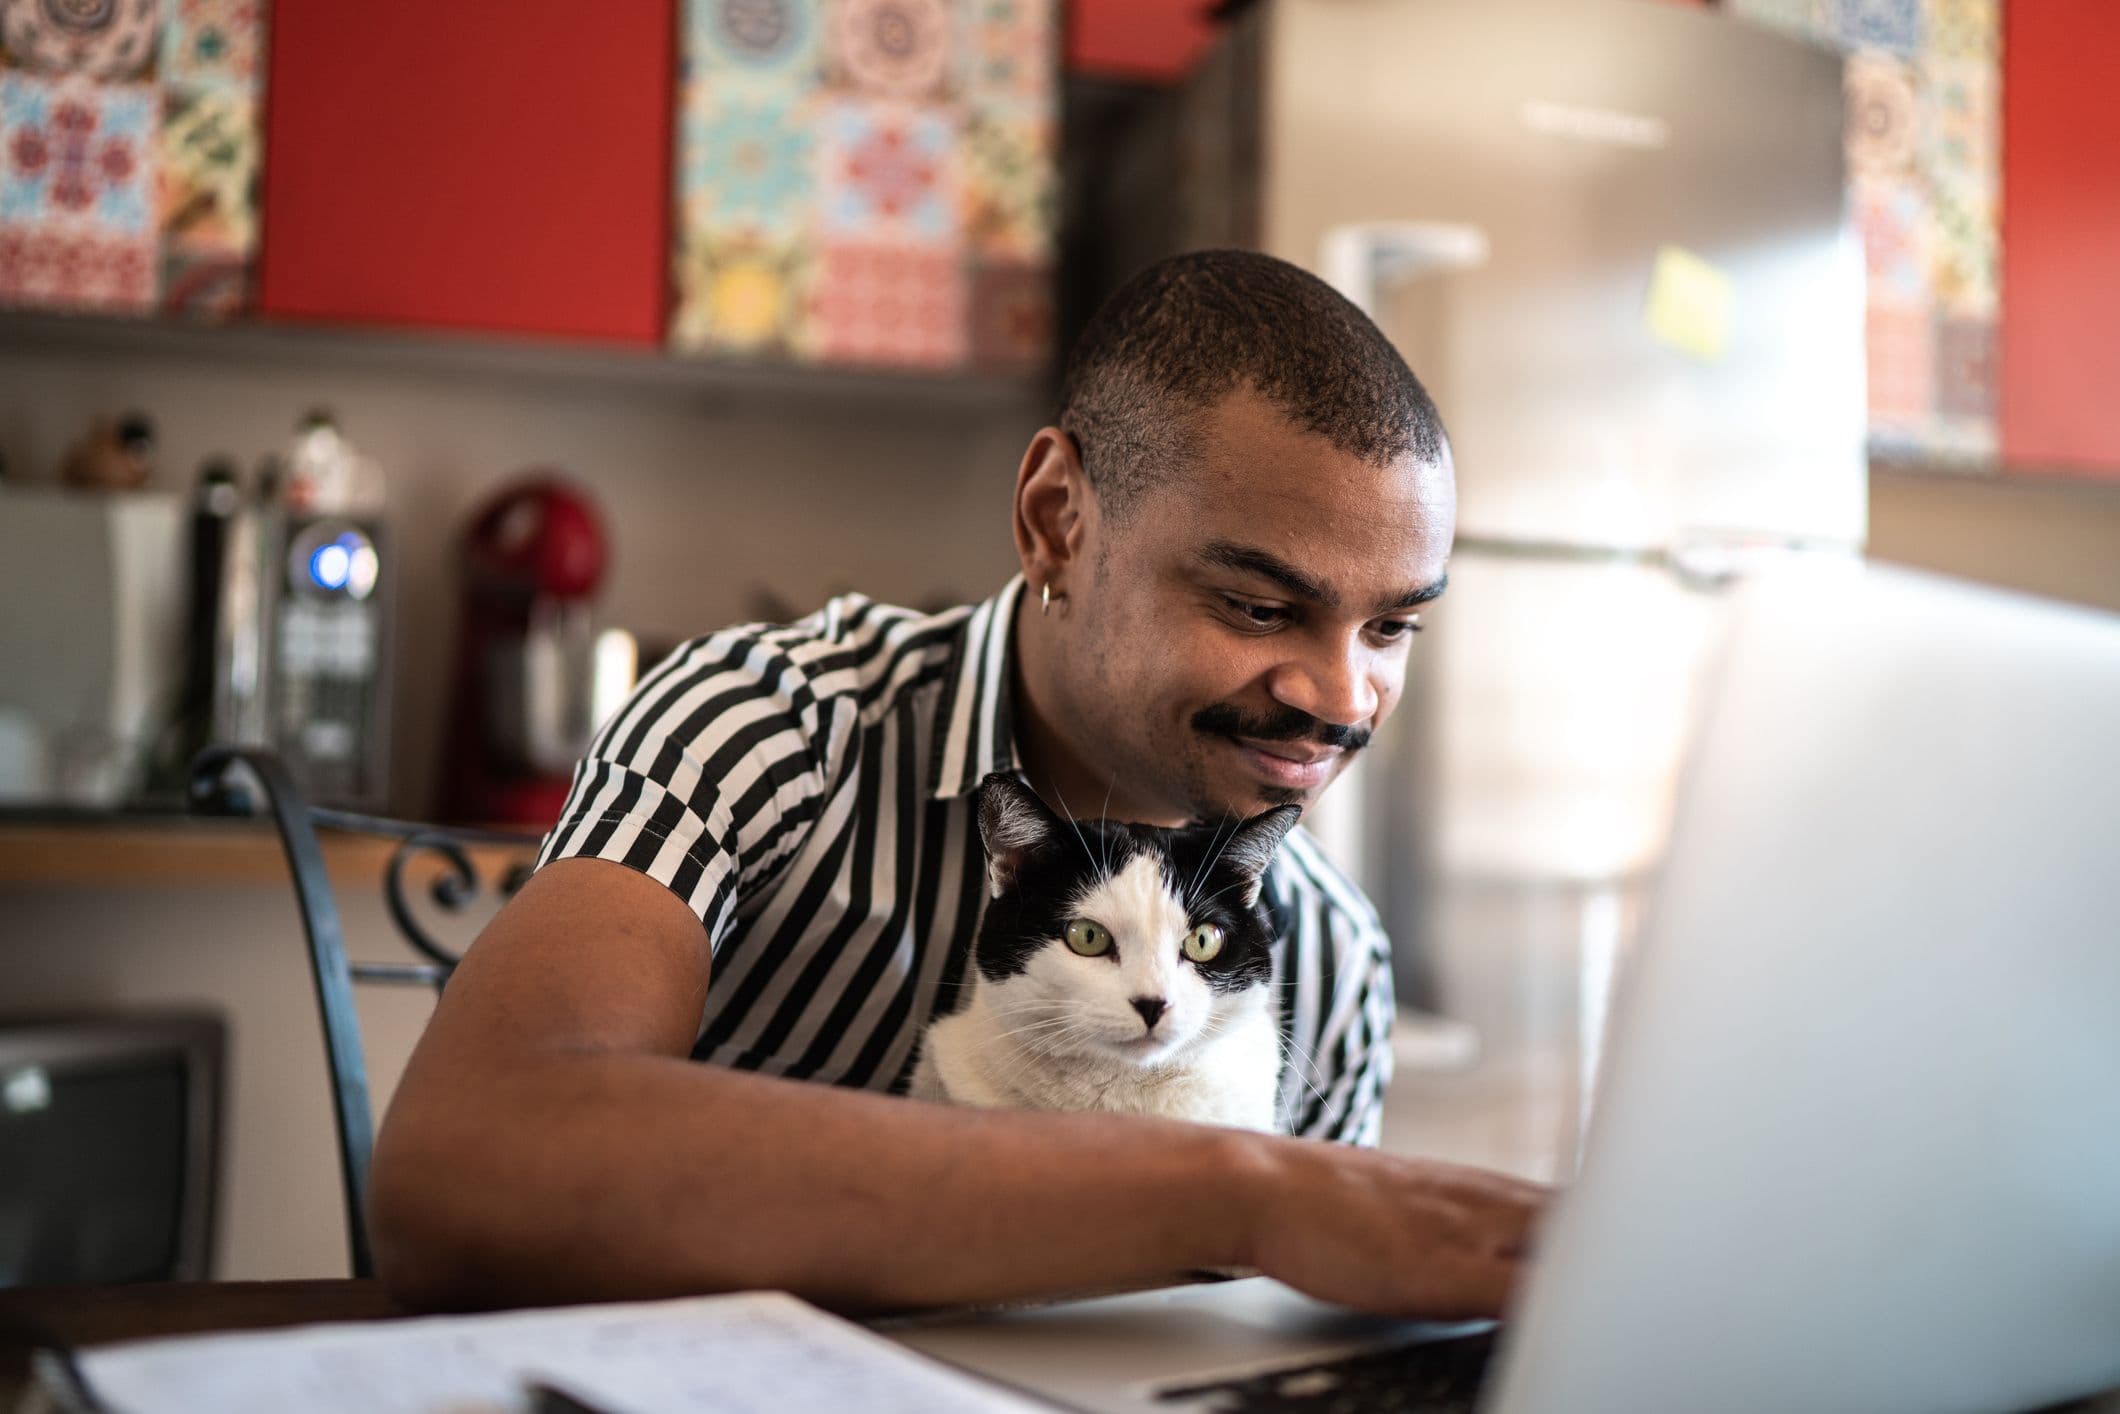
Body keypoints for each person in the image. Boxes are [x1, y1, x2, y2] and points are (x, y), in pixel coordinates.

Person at [371, 250, 1546, 1318]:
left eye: (1391, 626)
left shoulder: (1332, 959)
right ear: (1055, 522)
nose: (1341, 699)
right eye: (1256, 605)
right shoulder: (772, 728)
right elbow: (464, 1165)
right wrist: (1232, 1188)